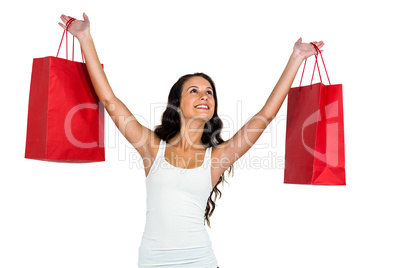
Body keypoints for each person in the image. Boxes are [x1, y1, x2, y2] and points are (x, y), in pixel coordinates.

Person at [59, 13, 324, 268]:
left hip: (200, 261)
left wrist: (297, 57)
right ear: (178, 102)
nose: (205, 97)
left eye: (209, 93)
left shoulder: (217, 158)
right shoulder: (152, 148)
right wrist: (85, 38)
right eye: (194, 91)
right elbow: (109, 100)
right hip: (153, 261)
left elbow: (266, 115)